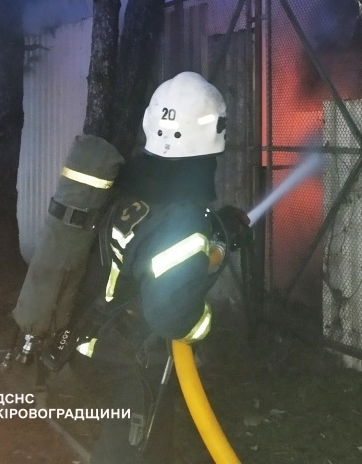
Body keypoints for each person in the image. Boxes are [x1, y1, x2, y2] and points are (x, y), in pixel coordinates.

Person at [68, 71, 251, 463]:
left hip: (85, 339)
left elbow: (146, 241)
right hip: (129, 360)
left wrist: (213, 230)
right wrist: (202, 322)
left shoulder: (130, 182)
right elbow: (172, 316)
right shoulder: (183, 217)